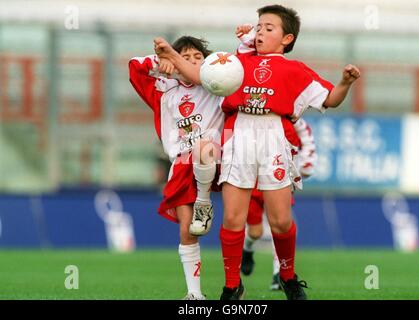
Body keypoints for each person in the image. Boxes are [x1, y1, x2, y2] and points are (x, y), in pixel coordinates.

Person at [155, 4, 360, 301]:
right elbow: (198, 75)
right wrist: (171, 54)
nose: (260, 31)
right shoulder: (237, 62)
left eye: (268, 28)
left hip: (273, 137)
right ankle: (231, 286)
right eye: (259, 26)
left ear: (286, 39)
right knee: (233, 220)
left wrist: (345, 82)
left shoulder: (295, 69)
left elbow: (329, 99)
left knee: (280, 220)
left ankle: (288, 277)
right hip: (239, 135)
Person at [129, 36, 224, 300]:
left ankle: (204, 203)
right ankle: (194, 294)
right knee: (187, 229)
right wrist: (160, 61)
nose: (191, 62)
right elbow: (134, 67)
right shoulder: (164, 88)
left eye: (197, 57)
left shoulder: (215, 84)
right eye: (184, 56)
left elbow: (237, 69)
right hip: (182, 164)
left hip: (220, 159)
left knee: (205, 146)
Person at [241, 118, 317, 291]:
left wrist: (306, 165)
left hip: (280, 181)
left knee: (281, 226)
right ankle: (247, 248)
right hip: (253, 184)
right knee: (255, 232)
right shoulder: (252, 120)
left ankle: (279, 274)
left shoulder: (293, 121)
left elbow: (307, 139)